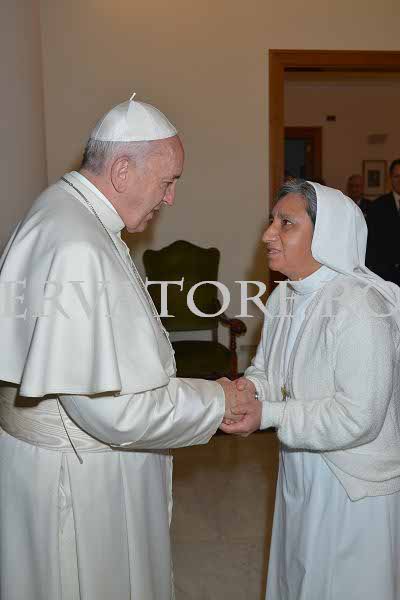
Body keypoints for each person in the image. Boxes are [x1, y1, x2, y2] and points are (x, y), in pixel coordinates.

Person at [0, 95, 254, 600]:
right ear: (122, 171)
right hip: (82, 479)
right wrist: (217, 400)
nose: (170, 198)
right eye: (167, 181)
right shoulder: (77, 244)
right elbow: (111, 411)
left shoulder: (64, 211)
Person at [221, 179, 400, 599]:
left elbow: (359, 417)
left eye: (286, 223)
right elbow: (268, 370)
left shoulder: (360, 306)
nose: (268, 234)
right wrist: (248, 389)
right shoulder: (284, 296)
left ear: (327, 236)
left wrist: (269, 414)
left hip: (351, 483)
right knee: (300, 575)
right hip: (301, 465)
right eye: (272, 221)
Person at [366, 158, 400, 285]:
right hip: (385, 276)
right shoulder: (377, 206)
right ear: (390, 178)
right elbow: (372, 243)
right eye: (397, 176)